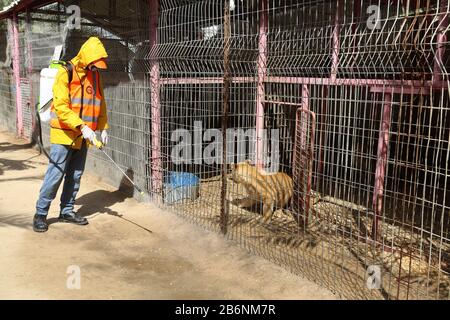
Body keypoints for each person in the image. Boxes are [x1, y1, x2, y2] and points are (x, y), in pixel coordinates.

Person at [33, 37, 109, 232]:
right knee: (56, 175)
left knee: (75, 175)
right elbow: (61, 106)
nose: (96, 68)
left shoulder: (95, 76)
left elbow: (100, 102)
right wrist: (82, 126)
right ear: (85, 57)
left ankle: (66, 210)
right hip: (64, 134)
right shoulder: (65, 72)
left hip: (85, 135)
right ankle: (41, 213)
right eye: (93, 64)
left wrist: (103, 127)